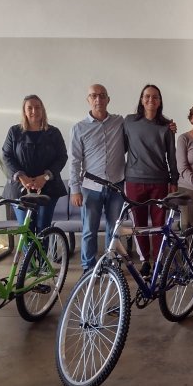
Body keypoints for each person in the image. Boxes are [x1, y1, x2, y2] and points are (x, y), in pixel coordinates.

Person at [69, 84, 126, 273]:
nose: (98, 99)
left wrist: (168, 125)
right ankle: (88, 267)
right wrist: (75, 189)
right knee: (89, 230)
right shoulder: (79, 128)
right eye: (93, 96)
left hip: (116, 185)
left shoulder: (120, 122)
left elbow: (141, 127)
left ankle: (110, 265)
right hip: (91, 187)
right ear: (88, 100)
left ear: (108, 99)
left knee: (114, 229)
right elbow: (75, 161)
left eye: (102, 96)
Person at [124, 84, 179, 275]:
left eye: (155, 97)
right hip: (133, 180)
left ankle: (158, 260)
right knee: (139, 225)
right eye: (147, 96)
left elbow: (171, 156)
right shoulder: (129, 122)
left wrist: (174, 180)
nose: (151, 100)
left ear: (160, 101)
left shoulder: (167, 126)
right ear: (141, 99)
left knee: (158, 225)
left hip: (160, 182)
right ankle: (144, 260)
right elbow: (121, 148)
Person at [2, 95, 68, 234]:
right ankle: (29, 256)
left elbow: (62, 157)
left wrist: (44, 177)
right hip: (20, 188)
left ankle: (43, 256)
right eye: (30, 108)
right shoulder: (14, 132)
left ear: (42, 110)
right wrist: (21, 176)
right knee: (26, 229)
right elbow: (7, 156)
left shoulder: (53, 132)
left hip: (48, 187)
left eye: (37, 107)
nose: (34, 111)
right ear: (24, 111)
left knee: (43, 228)